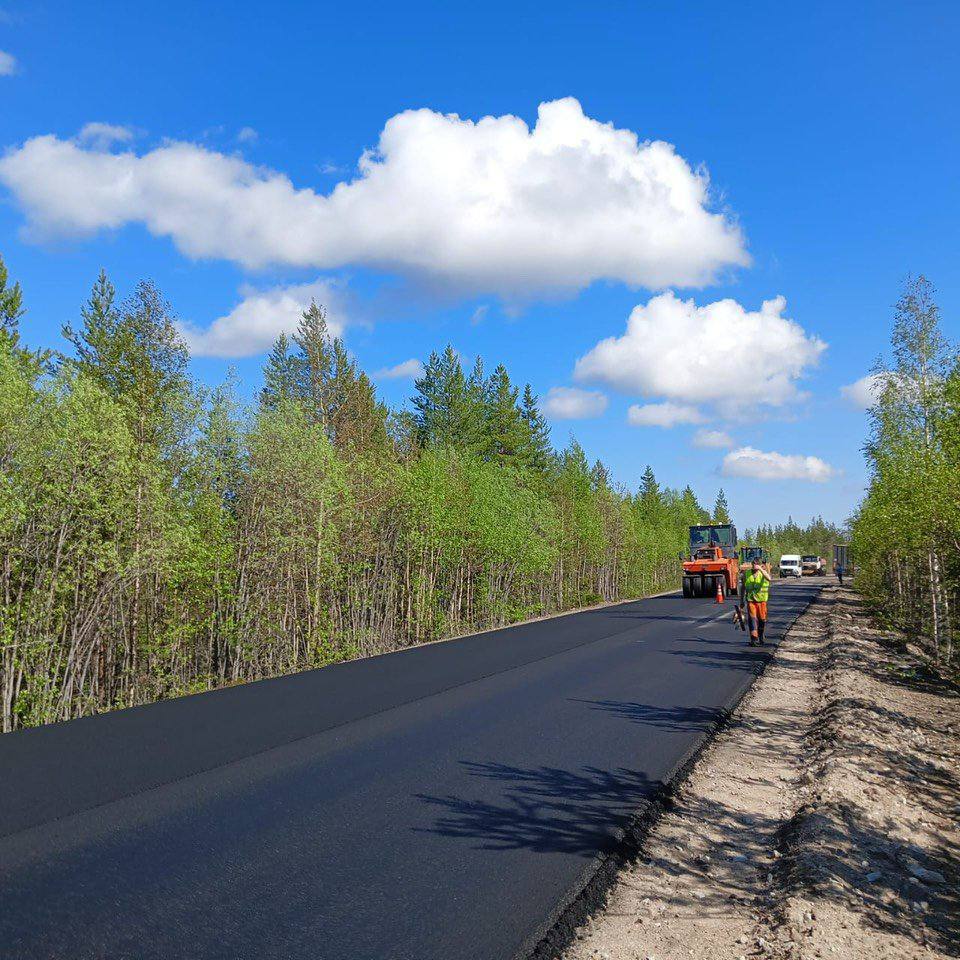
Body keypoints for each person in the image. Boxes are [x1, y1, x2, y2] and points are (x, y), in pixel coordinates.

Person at [739, 558, 771, 646]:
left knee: (762, 620)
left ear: (760, 565)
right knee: (752, 619)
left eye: (756, 564)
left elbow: (769, 578)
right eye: (753, 564)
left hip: (762, 601)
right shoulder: (747, 573)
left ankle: (760, 636)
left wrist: (760, 569)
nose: (754, 565)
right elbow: (743, 587)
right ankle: (754, 639)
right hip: (751, 600)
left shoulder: (763, 573)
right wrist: (741, 600)